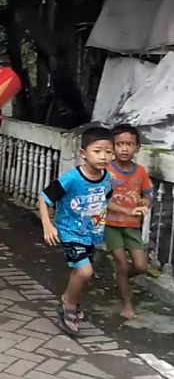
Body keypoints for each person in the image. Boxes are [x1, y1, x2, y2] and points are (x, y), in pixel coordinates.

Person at [38, 127, 114, 335]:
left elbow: (105, 202)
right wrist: (47, 224)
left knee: (79, 270)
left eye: (108, 151)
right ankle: (68, 305)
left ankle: (69, 299)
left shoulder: (107, 178)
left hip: (92, 234)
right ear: (83, 153)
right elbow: (44, 198)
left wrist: (130, 210)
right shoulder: (71, 178)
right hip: (69, 232)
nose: (103, 156)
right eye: (97, 151)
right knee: (85, 270)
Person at [106, 124, 153, 319]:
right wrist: (127, 209)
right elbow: (103, 199)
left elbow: (148, 194)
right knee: (122, 264)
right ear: (113, 147)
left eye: (129, 144)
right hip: (111, 224)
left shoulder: (140, 172)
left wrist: (145, 202)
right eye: (119, 144)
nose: (124, 149)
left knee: (141, 266)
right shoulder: (107, 170)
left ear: (137, 148)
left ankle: (120, 279)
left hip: (132, 225)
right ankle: (127, 302)